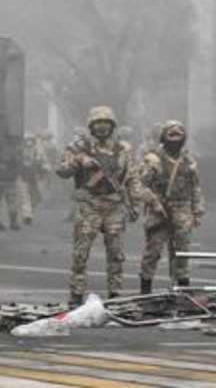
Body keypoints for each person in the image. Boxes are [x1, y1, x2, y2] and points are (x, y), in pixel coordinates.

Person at [55, 106, 159, 305]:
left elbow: (132, 179)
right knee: (81, 253)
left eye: (106, 124)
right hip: (89, 205)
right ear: (91, 126)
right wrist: (79, 160)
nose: (102, 128)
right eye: (97, 124)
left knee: (116, 254)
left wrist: (135, 205)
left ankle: (115, 294)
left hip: (114, 206)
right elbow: (61, 170)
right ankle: (76, 295)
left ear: (112, 126)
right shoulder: (79, 147)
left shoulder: (123, 150)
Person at [138, 120, 205, 293]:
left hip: (182, 211)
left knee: (182, 253)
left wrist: (197, 212)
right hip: (159, 211)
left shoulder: (188, 160)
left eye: (179, 133)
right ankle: (145, 291)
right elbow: (139, 185)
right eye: (171, 133)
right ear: (163, 136)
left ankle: (182, 291)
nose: (175, 137)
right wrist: (154, 202)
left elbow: (195, 187)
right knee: (153, 251)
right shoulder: (153, 159)